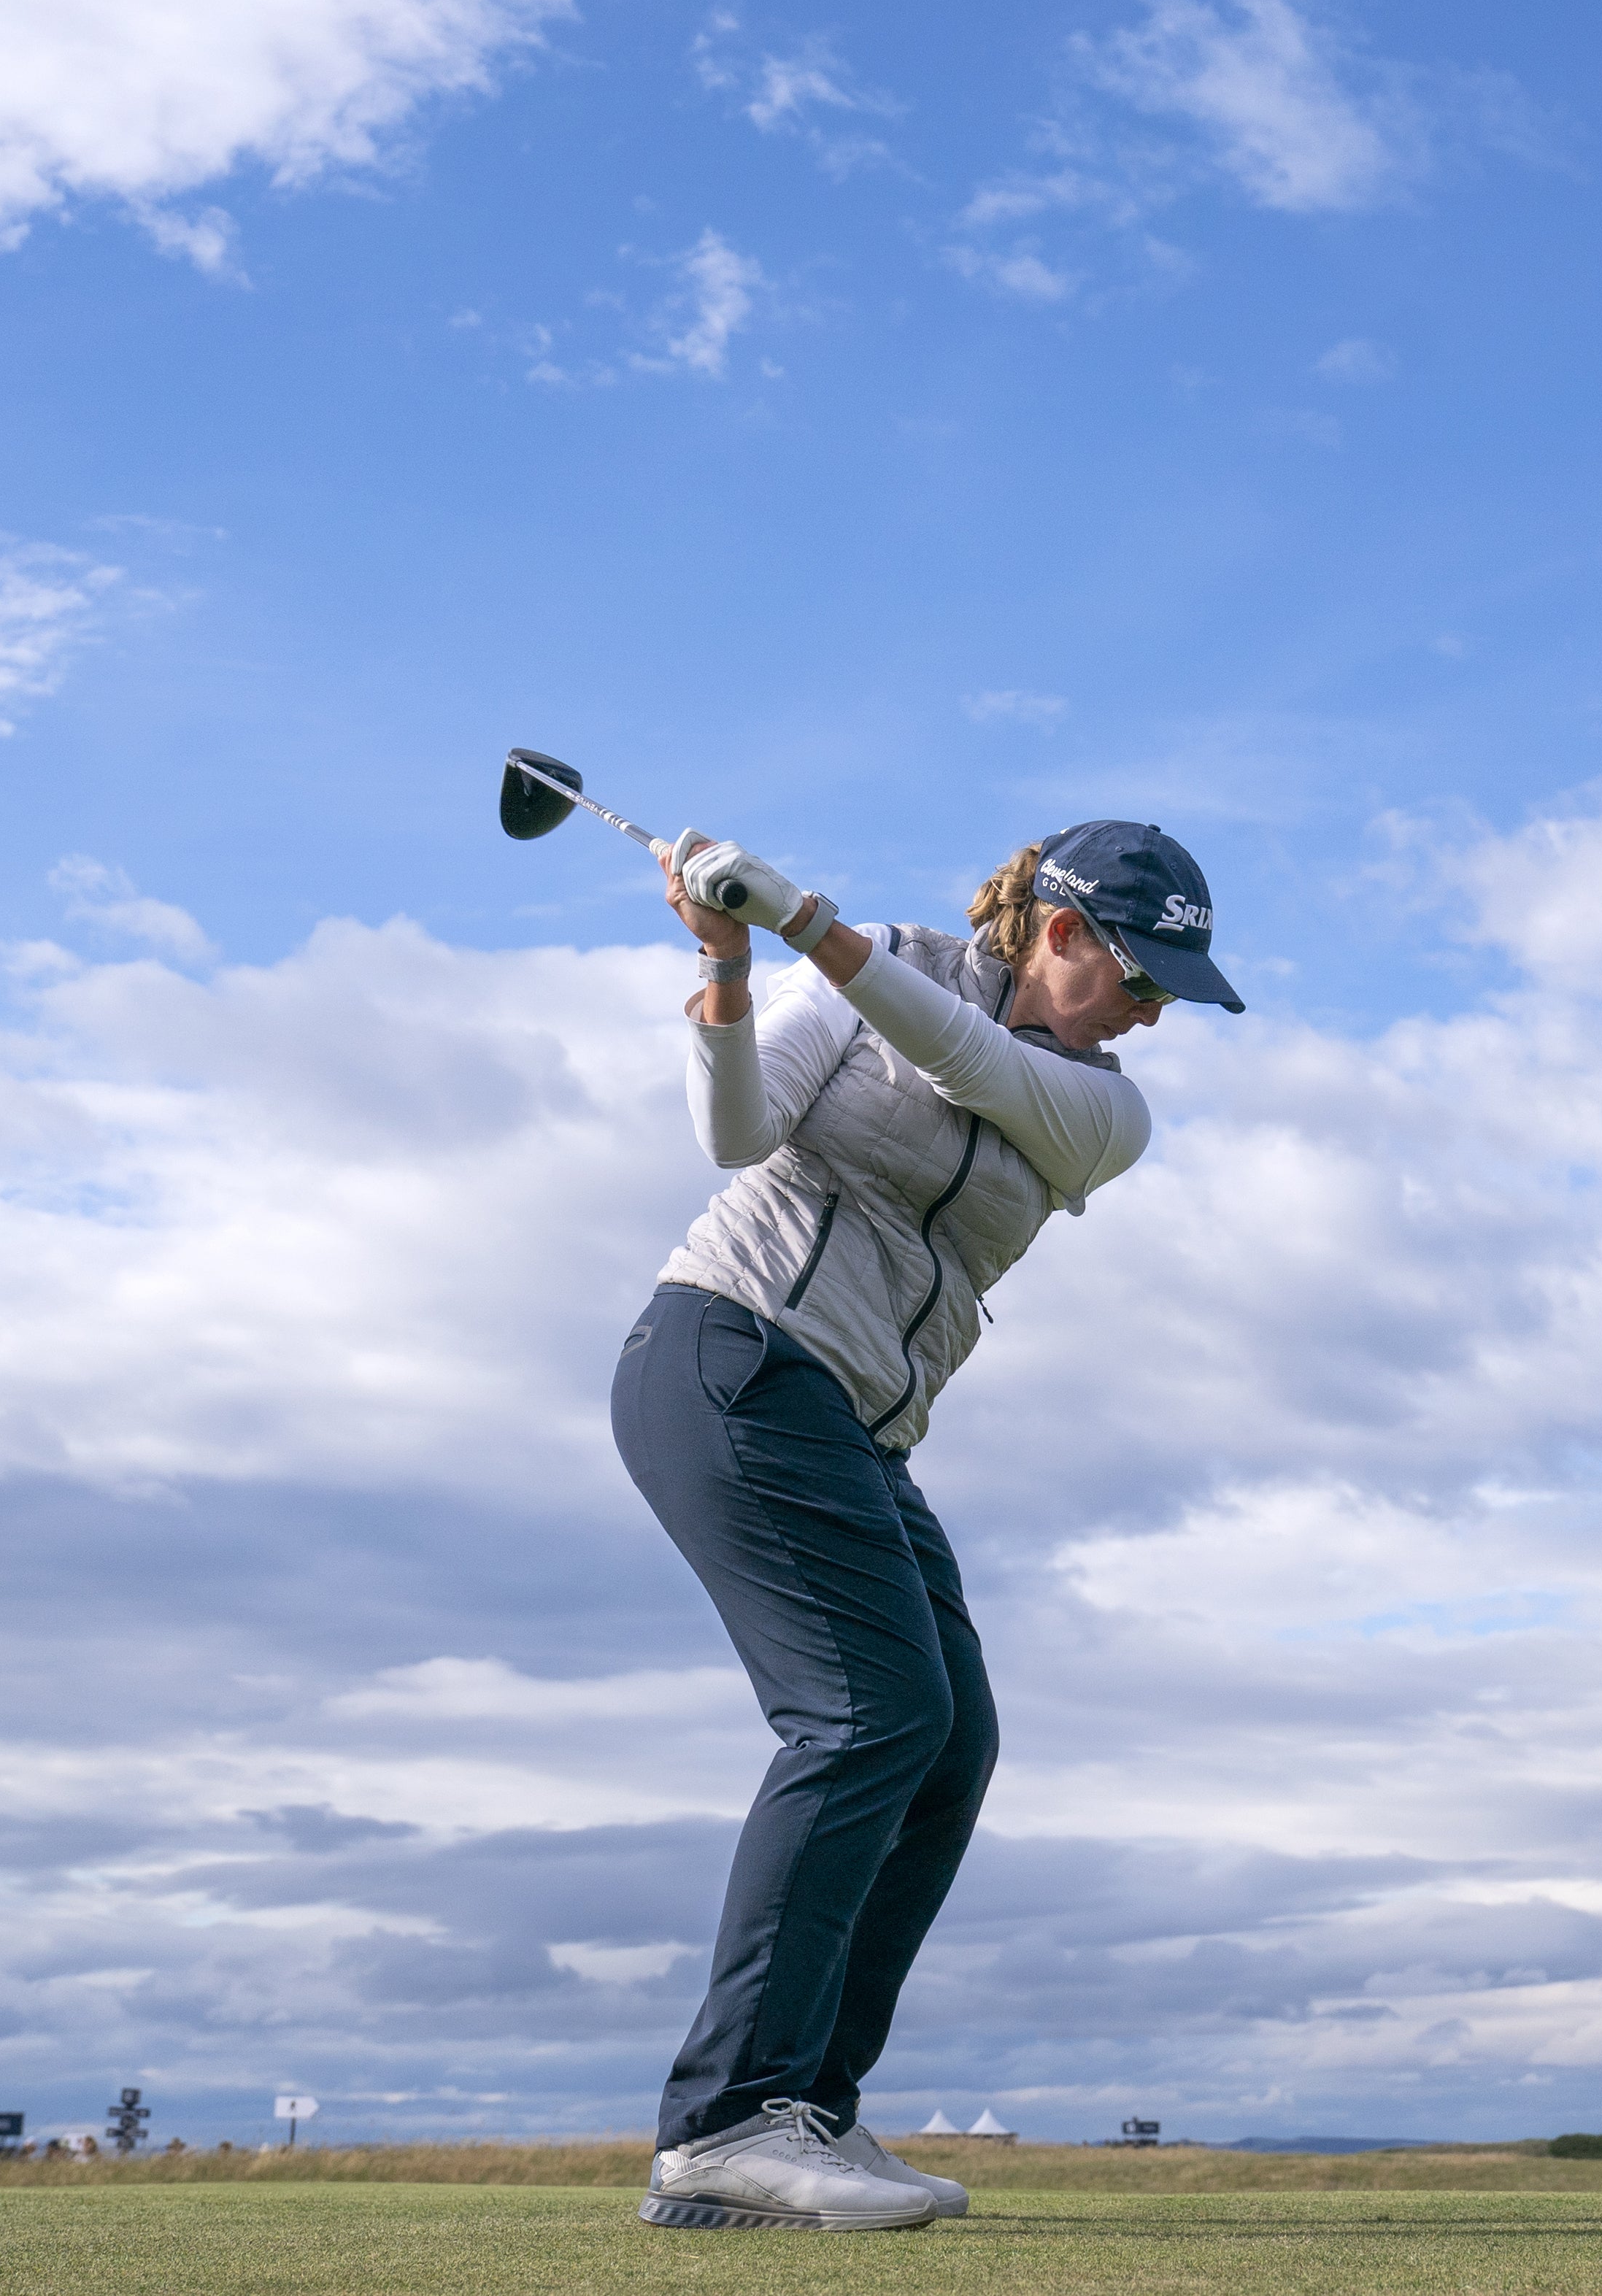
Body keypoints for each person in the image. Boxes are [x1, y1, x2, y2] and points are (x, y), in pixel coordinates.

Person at [609, 818, 1243, 2232]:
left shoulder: (1105, 1110)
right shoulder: (878, 967)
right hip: (734, 1354)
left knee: (949, 1743)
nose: (1153, 1013)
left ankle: (806, 2110)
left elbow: (970, 1061)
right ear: (1062, 931)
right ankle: (726, 2121)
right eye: (1143, 977)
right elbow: (733, 1133)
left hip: (864, 1427)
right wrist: (726, 965)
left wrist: (803, 920)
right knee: (866, 1714)